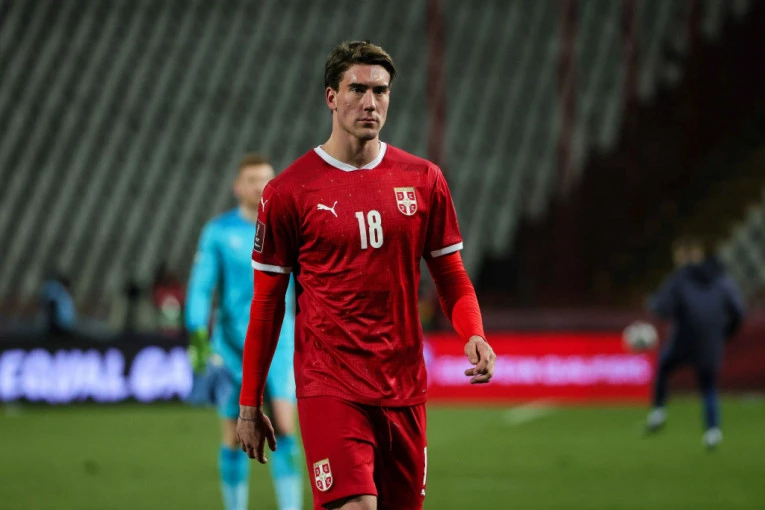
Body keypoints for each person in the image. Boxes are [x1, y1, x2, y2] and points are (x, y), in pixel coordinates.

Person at [237, 41, 496, 510]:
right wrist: (249, 402)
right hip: (330, 385)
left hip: (404, 386)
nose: (371, 102)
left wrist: (473, 332)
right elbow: (268, 304)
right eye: (357, 89)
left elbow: (450, 274)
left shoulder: (424, 179)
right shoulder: (288, 192)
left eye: (381, 90)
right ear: (331, 97)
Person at [185, 153, 302, 510]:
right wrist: (197, 334)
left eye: (266, 179)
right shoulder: (219, 232)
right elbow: (201, 288)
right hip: (232, 345)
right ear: (237, 187)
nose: (260, 186)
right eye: (252, 180)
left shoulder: (288, 227)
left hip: (280, 342)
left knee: (285, 427)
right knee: (235, 434)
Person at [645, 236, 745, 449]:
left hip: (684, 339)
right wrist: (724, 333)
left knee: (664, 366)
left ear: (683, 255)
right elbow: (738, 311)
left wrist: (652, 302)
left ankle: (658, 412)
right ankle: (713, 432)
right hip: (710, 342)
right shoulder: (721, 277)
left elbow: (663, 308)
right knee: (708, 385)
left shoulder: (679, 279)